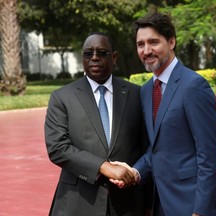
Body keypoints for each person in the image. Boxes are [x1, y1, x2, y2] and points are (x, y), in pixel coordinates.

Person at [112, 12, 216, 216]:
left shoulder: (194, 86)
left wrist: (200, 211)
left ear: (171, 42)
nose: (146, 50)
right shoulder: (147, 90)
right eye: (140, 44)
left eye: (153, 42)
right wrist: (134, 172)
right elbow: (158, 148)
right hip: (162, 204)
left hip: (193, 204)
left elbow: (209, 155)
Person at [44, 32, 151, 216]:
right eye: (88, 53)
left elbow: (147, 148)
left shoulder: (136, 95)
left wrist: (148, 202)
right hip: (78, 203)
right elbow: (57, 148)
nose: (94, 58)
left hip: (129, 203)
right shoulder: (62, 97)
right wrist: (103, 167)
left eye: (102, 53)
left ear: (114, 57)